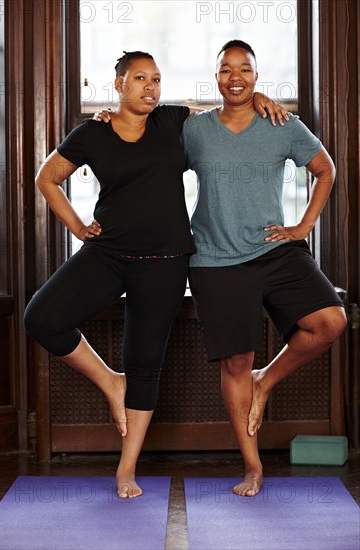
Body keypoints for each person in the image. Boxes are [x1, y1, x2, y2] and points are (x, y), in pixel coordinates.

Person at [24, 50, 287, 499]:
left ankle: (125, 471)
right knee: (42, 318)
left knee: (145, 364)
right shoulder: (93, 132)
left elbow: (227, 111)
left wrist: (256, 94)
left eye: (157, 80)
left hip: (165, 263)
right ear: (119, 85)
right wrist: (79, 227)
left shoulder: (173, 123)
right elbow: (46, 178)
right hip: (108, 253)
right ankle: (111, 380)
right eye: (140, 79)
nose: (150, 87)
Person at [182, 40, 347, 497]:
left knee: (330, 321)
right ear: (215, 76)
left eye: (245, 70)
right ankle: (253, 468)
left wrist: (304, 225)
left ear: (257, 75)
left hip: (275, 249)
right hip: (215, 258)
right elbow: (147, 134)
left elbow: (325, 168)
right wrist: (107, 118)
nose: (235, 77)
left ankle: (265, 381)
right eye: (226, 70)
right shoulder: (194, 131)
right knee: (236, 360)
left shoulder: (281, 123)